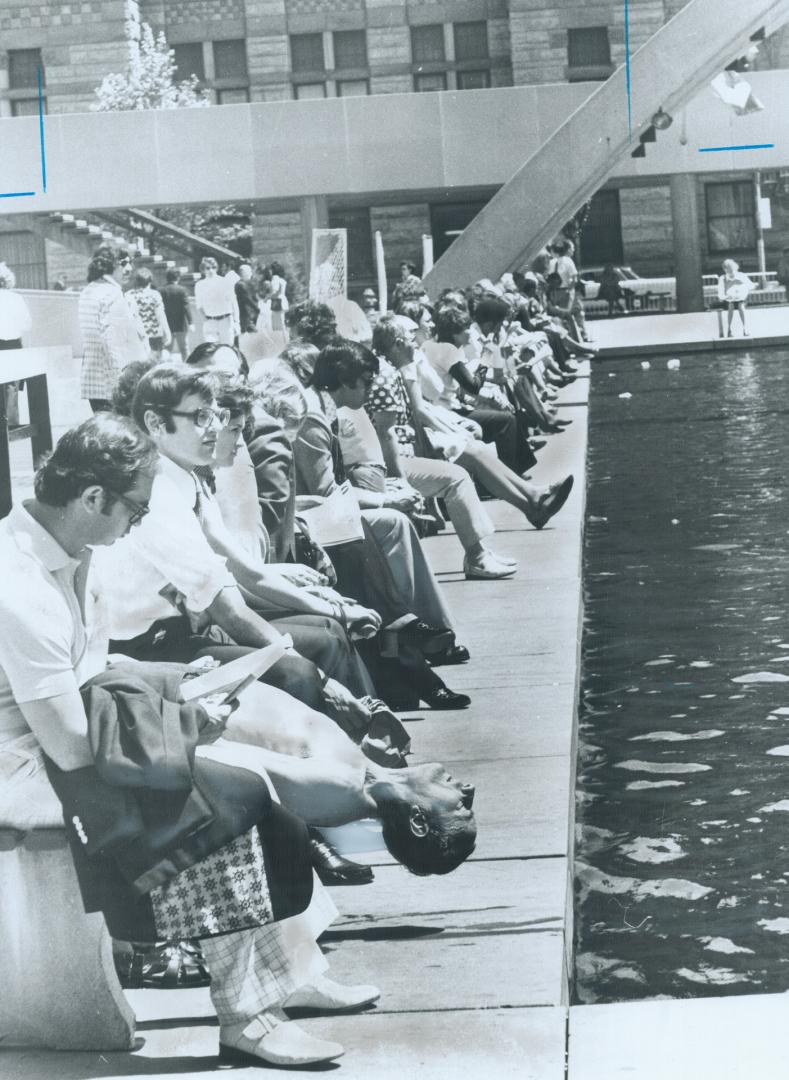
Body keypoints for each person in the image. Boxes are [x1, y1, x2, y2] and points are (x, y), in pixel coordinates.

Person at [0, 412, 378, 1067]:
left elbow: (90, 674)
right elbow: (67, 746)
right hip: (20, 765)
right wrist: (178, 723)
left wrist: (182, 683)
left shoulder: (72, 551)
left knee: (259, 770)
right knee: (218, 794)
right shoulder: (18, 582)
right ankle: (249, 1018)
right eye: (135, 512)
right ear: (93, 499)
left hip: (62, 739)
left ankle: (290, 973)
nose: (137, 526)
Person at [79, 245, 149, 413]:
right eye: (123, 263)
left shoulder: (88, 290)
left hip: (93, 380)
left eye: (130, 263)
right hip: (114, 383)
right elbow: (112, 341)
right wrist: (121, 381)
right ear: (108, 264)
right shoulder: (112, 293)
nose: (129, 268)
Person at [0, 262, 32, 426]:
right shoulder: (15, 298)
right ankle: (10, 427)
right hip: (13, 345)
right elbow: (26, 325)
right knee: (11, 388)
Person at [126, 267, 171, 359]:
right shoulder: (155, 295)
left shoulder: (128, 295)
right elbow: (161, 315)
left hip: (137, 335)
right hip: (155, 334)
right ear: (150, 280)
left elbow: (129, 317)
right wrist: (167, 332)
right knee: (155, 365)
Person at [194, 256, 239, 346]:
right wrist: (206, 320)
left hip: (226, 320)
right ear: (203, 269)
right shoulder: (199, 285)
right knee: (211, 350)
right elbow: (199, 306)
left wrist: (236, 322)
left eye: (213, 267)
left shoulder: (224, 281)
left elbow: (233, 302)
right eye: (208, 268)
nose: (211, 270)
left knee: (228, 348)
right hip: (210, 322)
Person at [158, 268, 193, 360]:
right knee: (184, 349)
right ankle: (187, 368)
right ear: (178, 278)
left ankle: (164, 368)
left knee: (167, 348)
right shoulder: (182, 290)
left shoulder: (160, 290)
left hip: (167, 323)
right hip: (180, 324)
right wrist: (191, 322)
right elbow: (186, 307)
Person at [717, 258, 753, 337]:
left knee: (741, 306)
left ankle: (745, 328)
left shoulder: (741, 276)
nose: (731, 274)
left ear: (735, 269)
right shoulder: (722, 278)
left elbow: (751, 286)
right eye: (728, 271)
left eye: (732, 271)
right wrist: (727, 296)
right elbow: (720, 293)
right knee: (731, 305)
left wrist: (742, 287)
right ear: (725, 270)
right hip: (728, 299)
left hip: (741, 298)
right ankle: (729, 329)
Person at [234, 262, 260, 337]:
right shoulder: (241, 285)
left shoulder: (241, 283)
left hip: (244, 313)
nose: (251, 274)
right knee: (248, 332)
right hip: (244, 313)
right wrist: (258, 309)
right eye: (249, 272)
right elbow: (248, 299)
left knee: (248, 332)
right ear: (243, 273)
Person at [268, 260, 289, 339]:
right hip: (283, 301)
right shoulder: (282, 279)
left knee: (276, 325)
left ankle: (279, 342)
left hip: (277, 302)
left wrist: (268, 297)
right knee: (282, 323)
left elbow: (275, 291)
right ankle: (285, 340)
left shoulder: (275, 278)